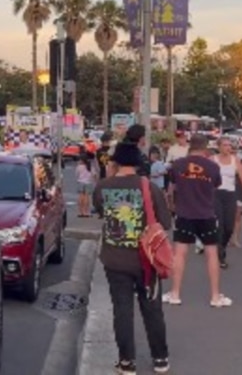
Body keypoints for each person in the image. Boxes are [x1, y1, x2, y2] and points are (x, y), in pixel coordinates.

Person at [92, 141, 172, 374]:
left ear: (115, 162)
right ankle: (160, 359)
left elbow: (100, 212)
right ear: (138, 163)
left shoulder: (103, 187)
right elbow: (165, 223)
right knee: (152, 309)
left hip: (114, 259)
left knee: (122, 310)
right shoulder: (149, 187)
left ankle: (127, 362)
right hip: (147, 261)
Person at [162, 134, 231, 307]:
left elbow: (171, 190)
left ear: (189, 146)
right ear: (206, 147)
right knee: (212, 253)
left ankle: (175, 293)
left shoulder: (177, 165)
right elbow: (215, 186)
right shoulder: (213, 167)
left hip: (184, 213)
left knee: (180, 254)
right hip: (207, 214)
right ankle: (215, 296)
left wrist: (171, 205)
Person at [212, 136, 242, 267]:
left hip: (230, 194)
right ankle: (219, 254)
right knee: (219, 225)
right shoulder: (213, 160)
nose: (228, 148)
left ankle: (223, 245)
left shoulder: (235, 160)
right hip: (216, 193)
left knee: (229, 226)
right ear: (219, 147)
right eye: (225, 145)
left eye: (229, 145)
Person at [75, 151, 95, 217]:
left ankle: (80, 211)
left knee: (80, 197)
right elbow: (94, 175)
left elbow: (76, 175)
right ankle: (86, 212)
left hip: (80, 182)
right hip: (88, 182)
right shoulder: (90, 167)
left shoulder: (79, 167)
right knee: (87, 197)